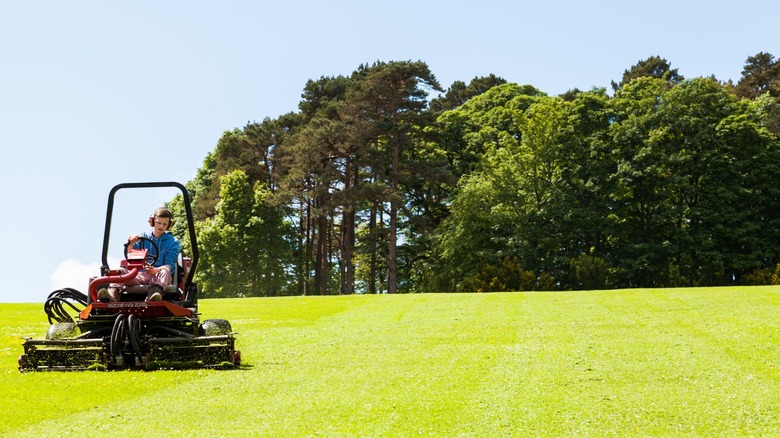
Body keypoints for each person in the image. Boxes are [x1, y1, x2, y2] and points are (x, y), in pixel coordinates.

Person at [99, 207, 181, 302]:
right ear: (152, 221)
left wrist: (155, 270)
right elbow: (129, 253)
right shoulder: (142, 238)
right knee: (120, 271)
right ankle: (111, 298)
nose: (161, 226)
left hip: (157, 276)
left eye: (164, 224)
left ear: (169, 225)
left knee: (165, 271)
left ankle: (153, 297)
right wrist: (131, 243)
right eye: (159, 223)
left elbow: (169, 265)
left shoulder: (173, 242)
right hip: (138, 275)